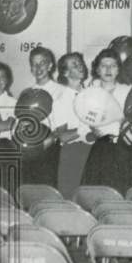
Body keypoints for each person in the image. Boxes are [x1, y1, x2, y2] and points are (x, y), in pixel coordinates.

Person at [79, 49, 132, 194]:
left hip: (126, 151)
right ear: (97, 69)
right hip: (100, 152)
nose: (108, 70)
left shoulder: (129, 91)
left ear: (119, 69)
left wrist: (124, 123)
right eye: (103, 65)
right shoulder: (89, 93)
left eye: (113, 65)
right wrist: (92, 133)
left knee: (126, 195)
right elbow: (83, 128)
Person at [19, 46, 68, 187]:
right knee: (26, 192)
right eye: (34, 64)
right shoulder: (26, 93)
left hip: (49, 148)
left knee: (46, 192)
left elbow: (63, 127)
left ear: (50, 65)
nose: (38, 67)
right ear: (30, 68)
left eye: (42, 63)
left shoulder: (61, 91)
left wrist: (47, 142)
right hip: (28, 149)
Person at [55, 51, 92, 198]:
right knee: (72, 199)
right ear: (65, 72)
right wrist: (84, 130)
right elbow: (62, 137)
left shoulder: (92, 93)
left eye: (80, 63)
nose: (80, 66)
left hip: (93, 151)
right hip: (73, 154)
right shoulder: (61, 100)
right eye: (74, 65)